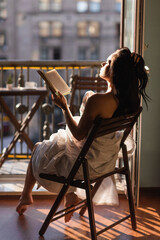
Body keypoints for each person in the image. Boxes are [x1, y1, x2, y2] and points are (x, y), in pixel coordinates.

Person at [16, 47, 149, 222]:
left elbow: (78, 135)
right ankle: (70, 195)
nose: (103, 64)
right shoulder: (128, 102)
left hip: (84, 167)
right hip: (105, 162)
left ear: (116, 72)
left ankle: (26, 195)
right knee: (59, 147)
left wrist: (64, 108)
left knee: (39, 148)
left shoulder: (96, 101)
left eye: (108, 62)